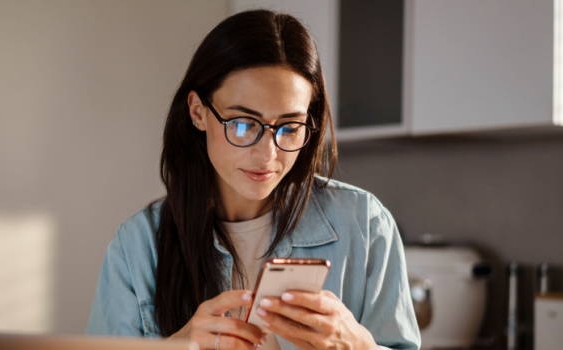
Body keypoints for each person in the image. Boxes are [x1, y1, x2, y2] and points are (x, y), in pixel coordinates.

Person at [86, 9, 420, 350]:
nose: (267, 155)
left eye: (289, 128)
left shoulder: (364, 224)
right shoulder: (137, 247)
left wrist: (359, 346)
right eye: (244, 125)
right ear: (198, 112)